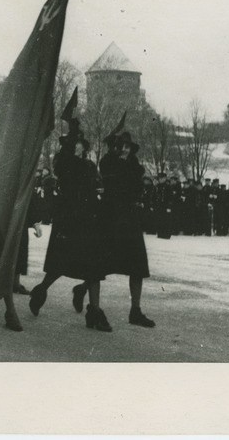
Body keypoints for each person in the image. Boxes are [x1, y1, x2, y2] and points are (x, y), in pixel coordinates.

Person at [29, 122, 112, 331]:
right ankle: (40, 291)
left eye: (79, 144)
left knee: (93, 268)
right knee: (60, 265)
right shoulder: (63, 162)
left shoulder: (90, 166)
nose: (76, 147)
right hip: (68, 222)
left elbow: (97, 186)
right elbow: (64, 168)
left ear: (84, 147)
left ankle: (94, 311)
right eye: (72, 144)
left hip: (88, 221)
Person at [99, 131, 155, 328]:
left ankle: (135, 310)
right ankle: (84, 293)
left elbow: (137, 188)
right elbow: (111, 181)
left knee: (138, 265)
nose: (124, 150)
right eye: (121, 146)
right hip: (112, 217)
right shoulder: (108, 162)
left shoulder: (134, 166)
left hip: (130, 219)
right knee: (100, 264)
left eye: (127, 147)